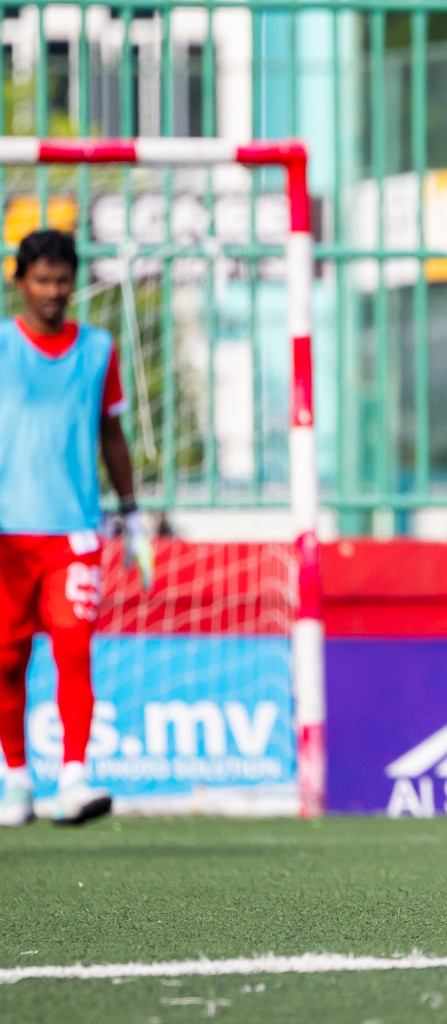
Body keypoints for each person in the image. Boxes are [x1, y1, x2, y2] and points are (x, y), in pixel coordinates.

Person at [0, 229, 156, 827]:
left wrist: (132, 511)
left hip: (73, 531)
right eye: (42, 280)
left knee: (72, 647)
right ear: (21, 282)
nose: (53, 292)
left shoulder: (98, 349)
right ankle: (16, 779)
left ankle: (73, 777)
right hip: (7, 534)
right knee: (8, 659)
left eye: (63, 280)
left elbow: (111, 434)